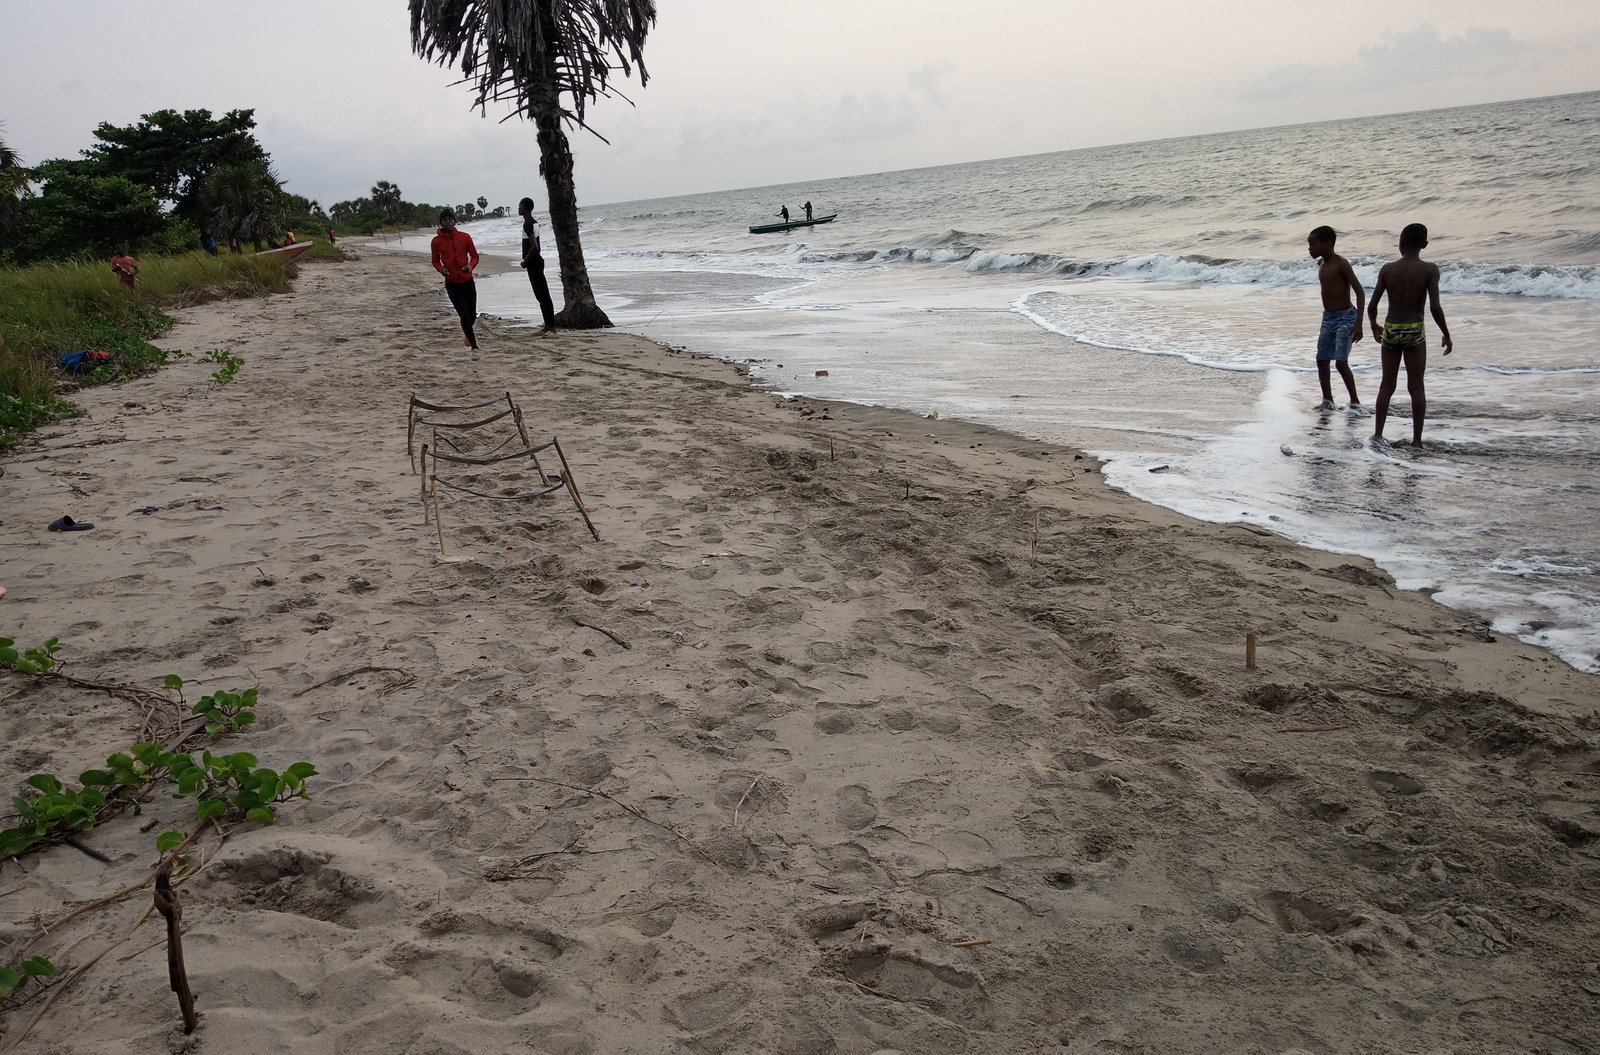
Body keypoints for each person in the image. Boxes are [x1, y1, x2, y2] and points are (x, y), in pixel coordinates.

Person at [1368, 223, 1453, 447]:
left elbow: (1372, 306)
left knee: (1387, 385)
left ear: (1401, 243)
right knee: (1416, 387)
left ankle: (1378, 435)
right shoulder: (1430, 270)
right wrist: (1446, 333)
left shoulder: (1387, 269)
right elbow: (1435, 308)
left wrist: (1374, 325)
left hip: (1392, 328)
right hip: (1414, 329)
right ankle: (1417, 441)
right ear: (1425, 244)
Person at [1306, 225, 1364, 410]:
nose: (1309, 249)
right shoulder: (1321, 264)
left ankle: (1355, 402)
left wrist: (1359, 323)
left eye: (1312, 244)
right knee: (1322, 360)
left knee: (1340, 362)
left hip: (1346, 318)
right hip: (1328, 318)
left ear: (1328, 243)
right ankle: (1328, 400)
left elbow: (1360, 292)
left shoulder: (1341, 264)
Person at [430, 208, 481, 349]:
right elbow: (435, 261)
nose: (448, 222)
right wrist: (442, 270)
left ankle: (467, 333)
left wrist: (470, 266)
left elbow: (475, 256)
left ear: (454, 221)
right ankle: (474, 348)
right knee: (464, 315)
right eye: (445, 220)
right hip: (452, 283)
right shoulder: (436, 241)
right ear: (441, 223)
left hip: (468, 281)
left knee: (471, 315)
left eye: (450, 219)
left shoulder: (465, 237)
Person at [518, 196, 557, 333]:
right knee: (543, 294)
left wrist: (525, 261)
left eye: (520, 206)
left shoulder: (527, 224)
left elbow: (535, 247)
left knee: (541, 295)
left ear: (525, 208)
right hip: (537, 262)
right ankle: (549, 324)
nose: (518, 209)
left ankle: (549, 326)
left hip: (533, 263)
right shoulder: (534, 223)